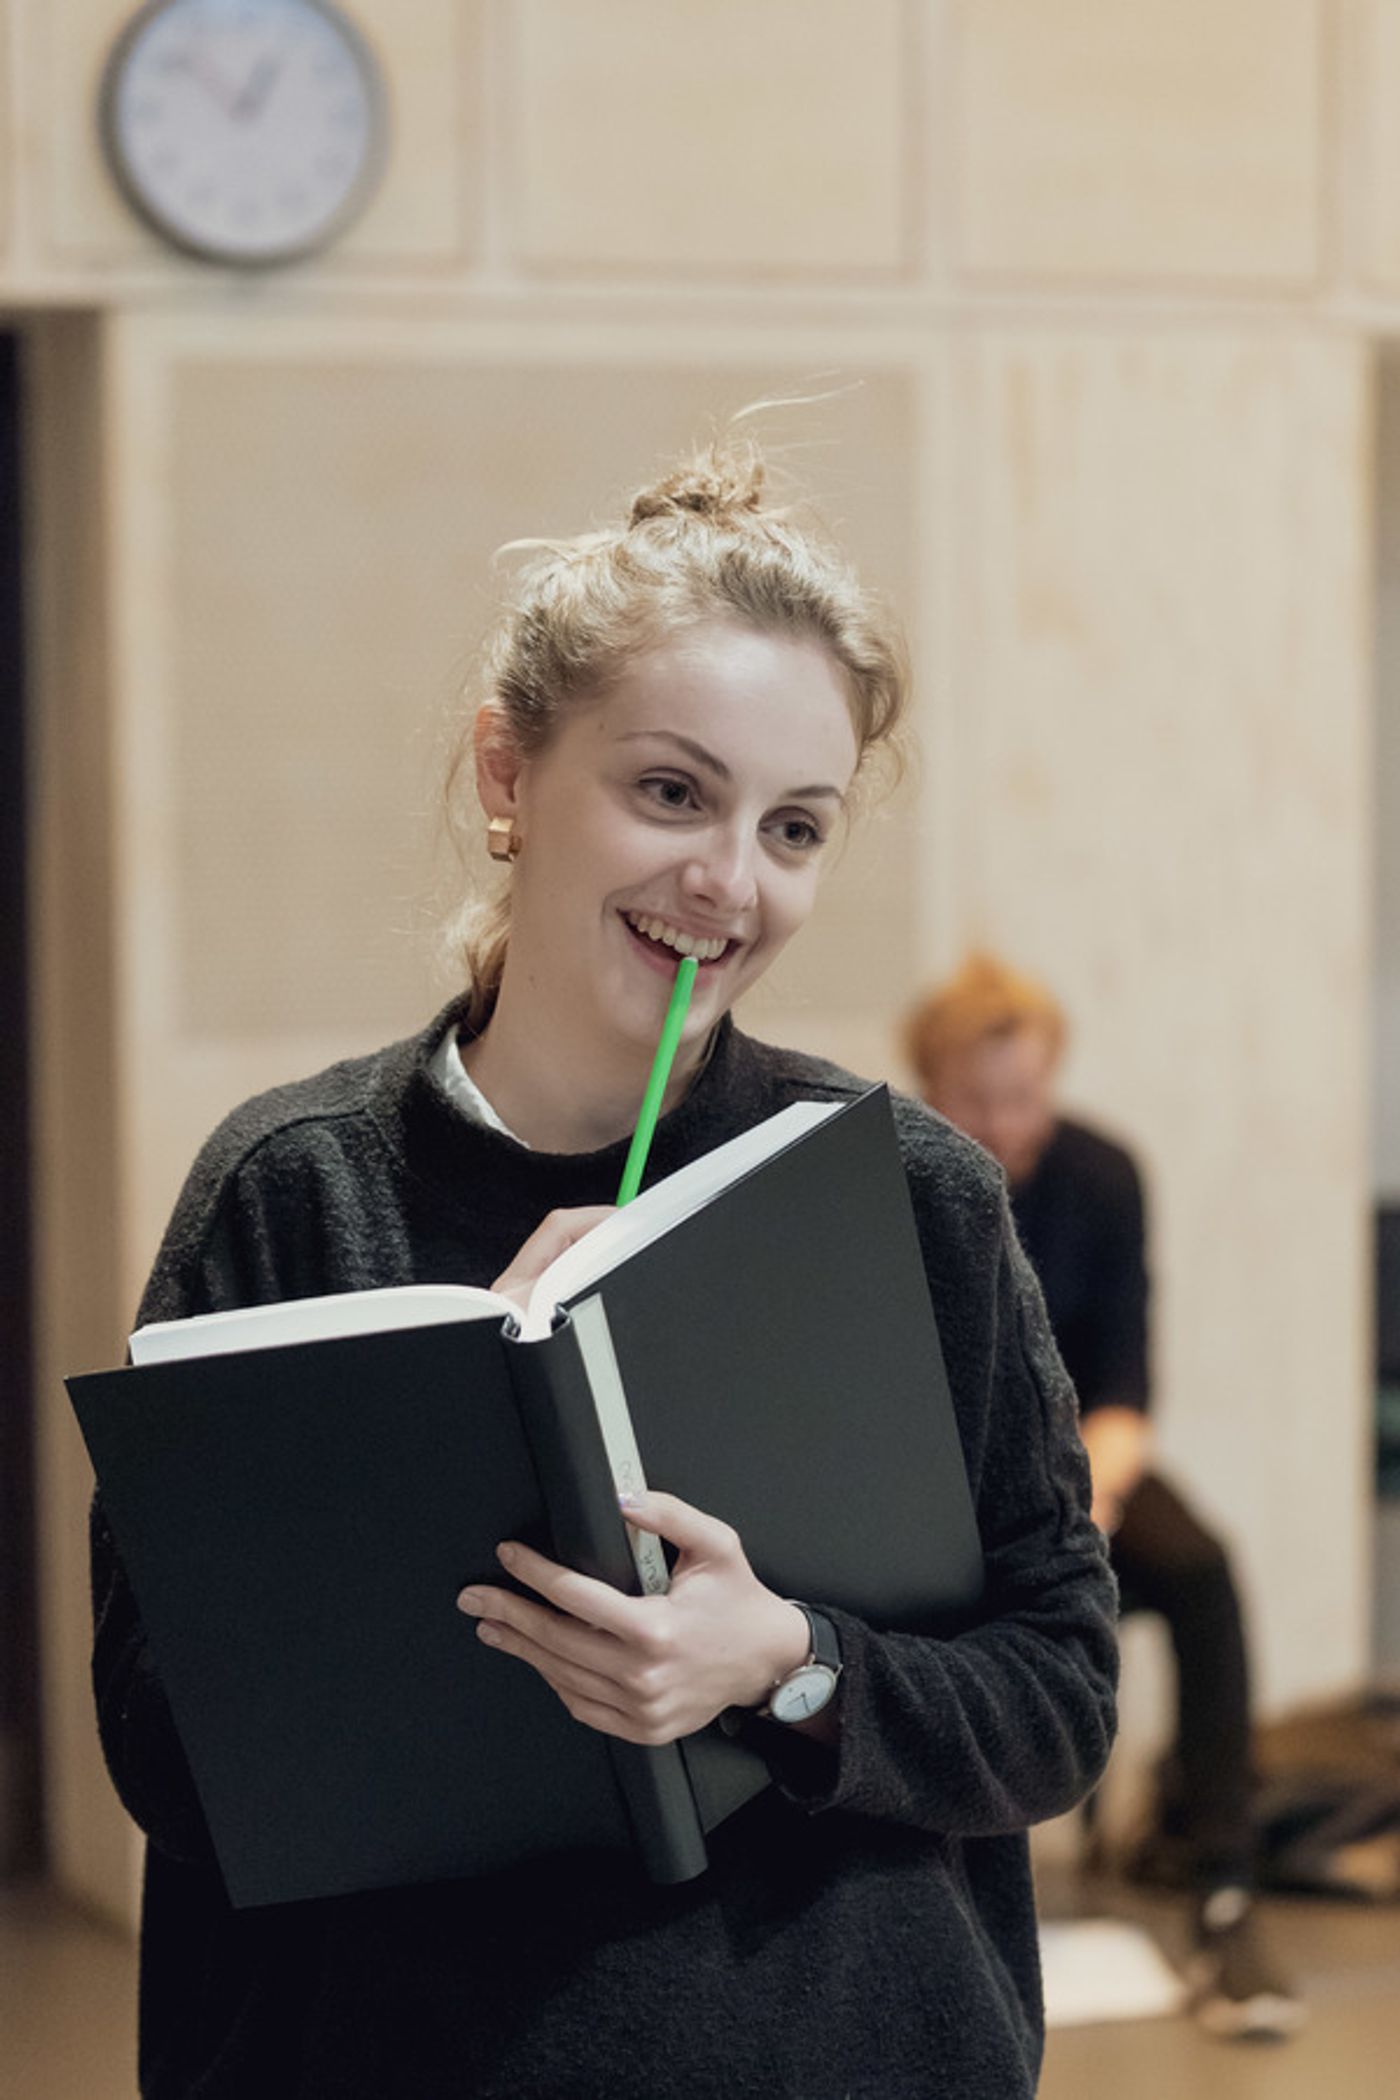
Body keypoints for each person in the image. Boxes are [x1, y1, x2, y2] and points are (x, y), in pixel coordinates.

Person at [90, 445, 1118, 2099]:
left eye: (795, 826)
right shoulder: (292, 1194)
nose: (730, 881)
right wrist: (451, 1446)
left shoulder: (912, 1199)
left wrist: (787, 1662)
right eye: (671, 794)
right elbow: (163, 1752)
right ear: (508, 772)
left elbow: (1059, 1698)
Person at [904, 952, 1306, 2043]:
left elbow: (1124, 1386)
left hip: (1078, 1472)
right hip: (939, 1480)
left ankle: (1224, 1892)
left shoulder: (1101, 1175)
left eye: (1023, 1096)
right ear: (931, 1088)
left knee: (1202, 1571)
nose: (1004, 1125)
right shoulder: (899, 1177)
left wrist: (1076, 1509)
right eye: (977, 1100)